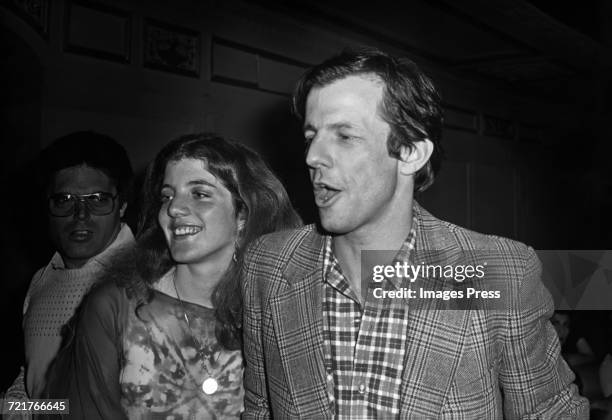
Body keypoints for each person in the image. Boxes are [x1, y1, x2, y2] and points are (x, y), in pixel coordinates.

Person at [241, 47, 589, 418]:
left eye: (344, 136)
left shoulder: (496, 271)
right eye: (311, 136)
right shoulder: (268, 265)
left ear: (410, 153)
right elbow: (260, 408)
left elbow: (551, 412)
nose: (312, 156)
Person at [43, 133, 302, 419]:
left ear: (243, 215)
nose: (173, 208)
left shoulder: (275, 313)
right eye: (167, 196)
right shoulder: (117, 306)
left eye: (199, 194)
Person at [4, 131, 134, 402]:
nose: (81, 215)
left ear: (122, 205)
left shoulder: (146, 279)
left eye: (97, 199)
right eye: (65, 200)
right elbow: (33, 377)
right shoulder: (41, 279)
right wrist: (13, 408)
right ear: (47, 205)